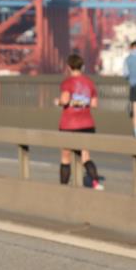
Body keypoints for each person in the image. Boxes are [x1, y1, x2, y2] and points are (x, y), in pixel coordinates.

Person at [57, 53, 103, 190]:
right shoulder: (90, 83)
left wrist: (58, 102)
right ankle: (95, 183)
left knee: (66, 156)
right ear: (82, 66)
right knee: (85, 156)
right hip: (87, 123)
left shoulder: (67, 82)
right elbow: (94, 104)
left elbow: (65, 100)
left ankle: (63, 187)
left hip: (69, 124)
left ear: (69, 67)